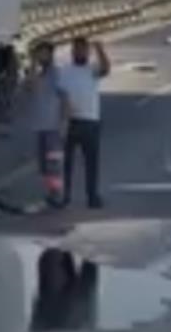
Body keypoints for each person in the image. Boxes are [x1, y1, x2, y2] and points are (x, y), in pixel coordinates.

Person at [56, 36, 111, 209]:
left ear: (87, 52)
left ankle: (92, 196)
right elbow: (61, 96)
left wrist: (100, 50)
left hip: (90, 121)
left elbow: (105, 69)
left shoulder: (92, 69)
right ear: (72, 51)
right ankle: (65, 196)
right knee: (66, 163)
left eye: (83, 49)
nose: (79, 52)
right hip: (71, 121)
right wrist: (62, 120)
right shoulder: (65, 71)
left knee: (91, 162)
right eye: (76, 49)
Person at [28, 40, 69, 208]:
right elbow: (31, 86)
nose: (40, 57)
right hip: (41, 127)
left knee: (54, 165)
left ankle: (57, 196)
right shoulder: (40, 75)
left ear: (50, 55)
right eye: (38, 54)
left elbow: (65, 98)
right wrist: (32, 63)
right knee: (45, 167)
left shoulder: (56, 74)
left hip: (53, 127)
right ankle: (52, 194)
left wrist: (64, 122)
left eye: (43, 53)